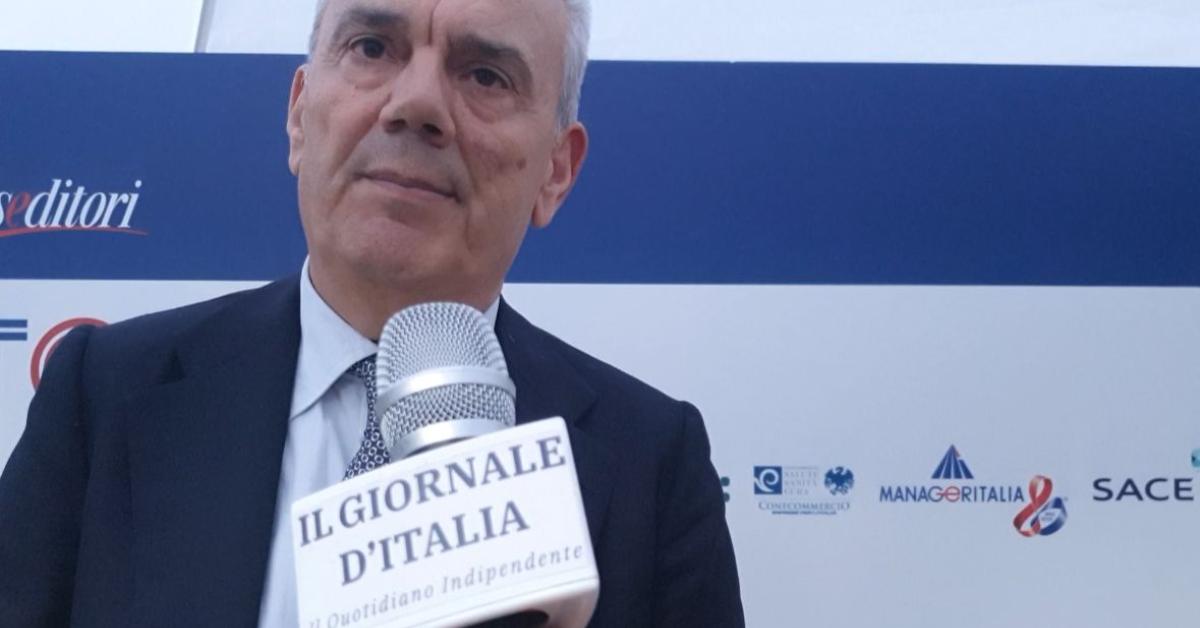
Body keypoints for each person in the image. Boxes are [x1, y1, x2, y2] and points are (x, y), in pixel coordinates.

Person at [0, 0, 745, 626]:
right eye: (372, 48)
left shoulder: (653, 466)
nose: (416, 104)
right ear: (299, 116)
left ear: (556, 170)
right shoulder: (104, 394)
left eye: (484, 74)